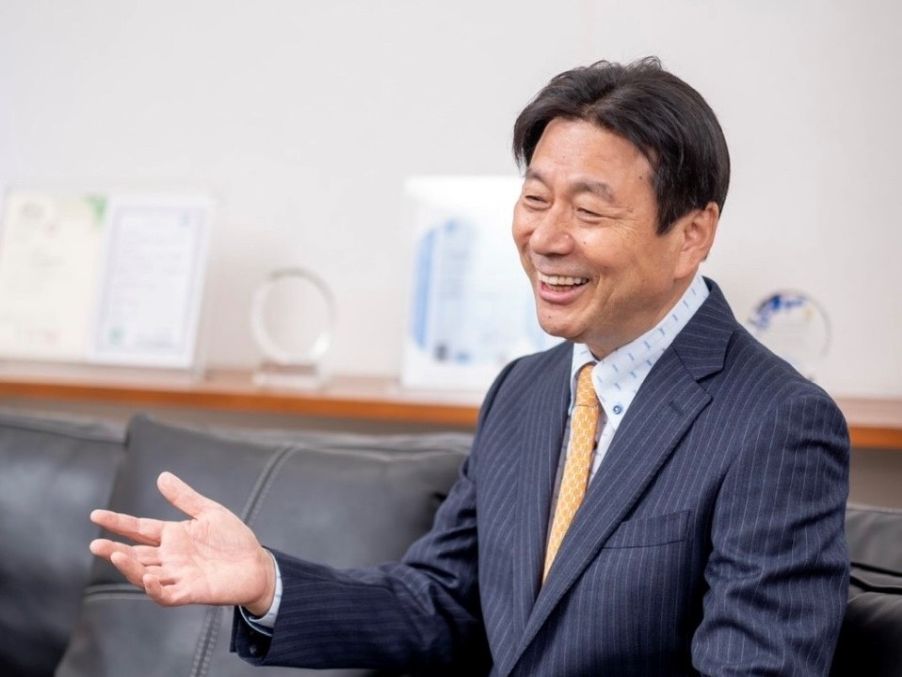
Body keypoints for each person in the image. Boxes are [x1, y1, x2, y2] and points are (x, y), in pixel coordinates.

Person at [90, 57, 850, 676]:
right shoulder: (526, 389)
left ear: (692, 235)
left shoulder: (777, 423)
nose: (546, 238)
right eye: (535, 199)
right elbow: (441, 603)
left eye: (589, 212)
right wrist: (267, 581)